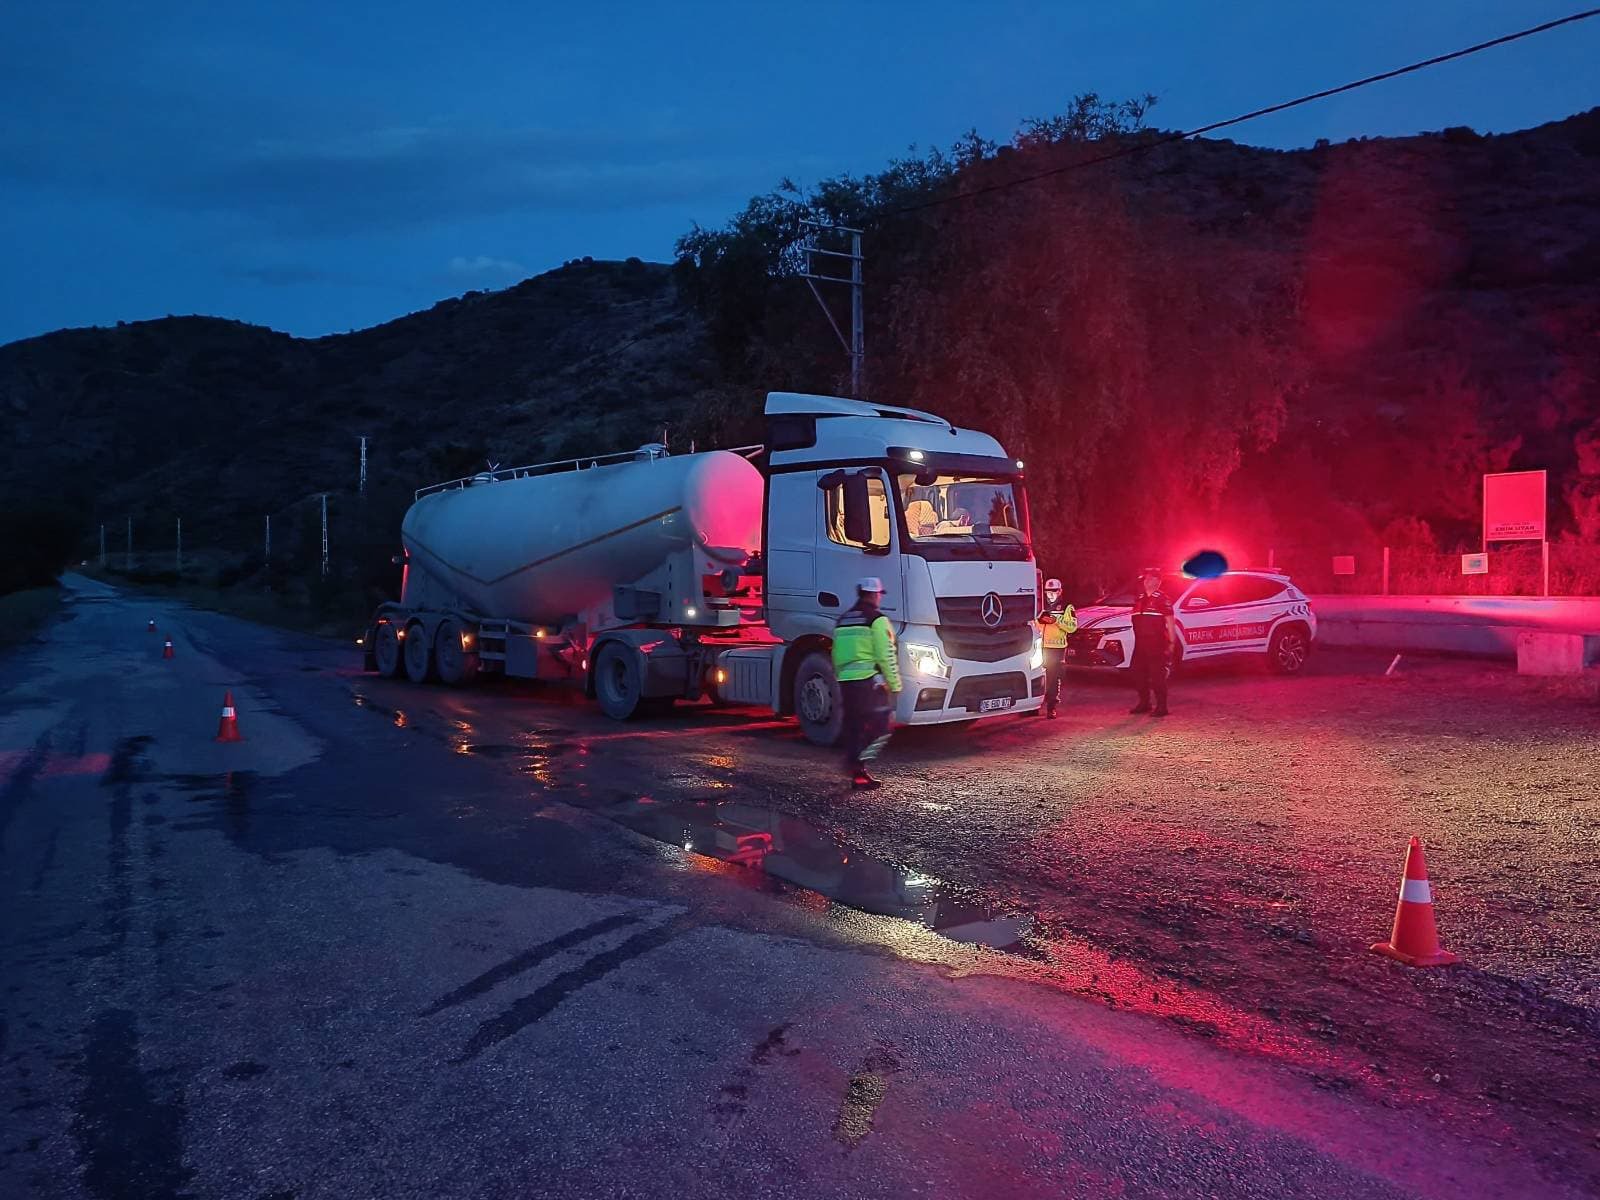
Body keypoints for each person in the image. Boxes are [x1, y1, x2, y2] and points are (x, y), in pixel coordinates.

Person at [832, 577, 903, 789]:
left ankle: (857, 773)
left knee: (854, 727)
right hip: (868, 683)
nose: (880, 597)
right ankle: (856, 762)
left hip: (846, 682)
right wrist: (895, 684)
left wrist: (841, 676)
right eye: (880, 594)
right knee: (881, 728)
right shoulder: (877, 620)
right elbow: (886, 655)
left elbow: (835, 653)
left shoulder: (843, 620)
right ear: (874, 594)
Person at [1129, 567, 1177, 717]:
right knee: (1138, 672)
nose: (1146, 581)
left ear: (1158, 581)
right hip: (1140, 643)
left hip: (1156, 643)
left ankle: (1162, 707)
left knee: (1157, 675)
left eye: (1150, 579)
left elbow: (1170, 622)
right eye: (1145, 579)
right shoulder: (1140, 598)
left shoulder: (1163, 599)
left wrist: (1171, 642)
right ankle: (1145, 703)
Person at [1036, 577, 1078, 719]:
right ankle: (1032, 706)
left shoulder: (1067, 607)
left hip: (1056, 648)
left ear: (1060, 591)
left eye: (1054, 591)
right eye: (1048, 591)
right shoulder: (1039, 605)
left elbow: (1072, 627)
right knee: (1037, 677)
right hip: (1039, 647)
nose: (1050, 593)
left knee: (1053, 679)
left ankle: (1051, 707)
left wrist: (1056, 621)